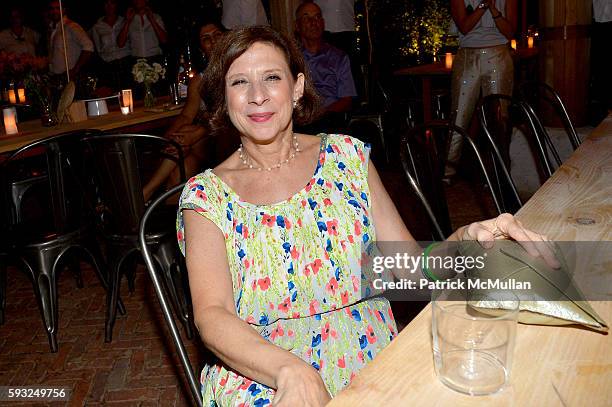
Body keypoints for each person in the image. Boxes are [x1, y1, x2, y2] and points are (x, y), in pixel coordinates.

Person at [176, 25, 555, 405]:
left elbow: (408, 268)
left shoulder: (347, 158)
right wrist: (290, 370)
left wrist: (467, 240)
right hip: (260, 370)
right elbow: (213, 315)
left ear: (296, 88)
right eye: (240, 82)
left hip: (369, 356)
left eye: (272, 77)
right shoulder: (206, 197)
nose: (257, 96)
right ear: (225, 99)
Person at [142, 20, 226, 201]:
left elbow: (228, 115)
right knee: (183, 169)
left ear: (226, 36)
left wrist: (195, 134)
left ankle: (144, 194)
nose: (213, 41)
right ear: (202, 48)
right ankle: (173, 224)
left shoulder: (239, 71)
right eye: (206, 39)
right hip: (203, 144)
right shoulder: (199, 81)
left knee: (188, 134)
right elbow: (187, 114)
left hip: (227, 139)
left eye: (217, 35)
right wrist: (169, 138)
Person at [446, 0, 517, 177]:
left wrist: (493, 9)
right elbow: (464, 27)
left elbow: (510, 31)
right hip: (468, 57)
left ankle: (500, 173)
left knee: (500, 118)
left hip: (498, 56)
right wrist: (483, 5)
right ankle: (448, 171)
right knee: (459, 115)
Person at [295, 1, 357, 133]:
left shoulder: (339, 58)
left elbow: (346, 99)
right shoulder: (291, 60)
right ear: (297, 26)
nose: (313, 22)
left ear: (323, 23)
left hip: (330, 120)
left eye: (317, 17)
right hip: (300, 120)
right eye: (307, 18)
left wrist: (323, 113)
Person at [90, 0, 132, 90]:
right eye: (106, 3)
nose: (109, 6)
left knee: (129, 93)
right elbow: (98, 49)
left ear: (116, 5)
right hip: (109, 66)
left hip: (126, 63)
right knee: (113, 95)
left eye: (112, 3)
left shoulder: (124, 21)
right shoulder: (97, 26)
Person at [47, 0, 94, 77]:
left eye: (57, 8)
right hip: (56, 76)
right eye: (52, 9)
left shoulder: (71, 26)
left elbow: (89, 46)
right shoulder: (52, 28)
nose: (54, 11)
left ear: (64, 10)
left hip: (69, 76)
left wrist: (76, 69)